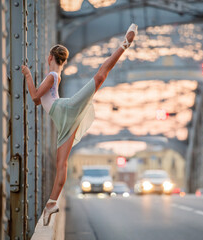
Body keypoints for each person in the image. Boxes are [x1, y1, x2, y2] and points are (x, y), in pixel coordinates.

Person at [22, 23, 138, 225]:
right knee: (62, 164)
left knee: (100, 76)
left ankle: (124, 44)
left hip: (65, 110)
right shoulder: (53, 77)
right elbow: (40, 98)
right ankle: (51, 203)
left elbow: (34, 98)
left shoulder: (51, 76)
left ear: (50, 58)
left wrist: (27, 75)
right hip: (63, 119)